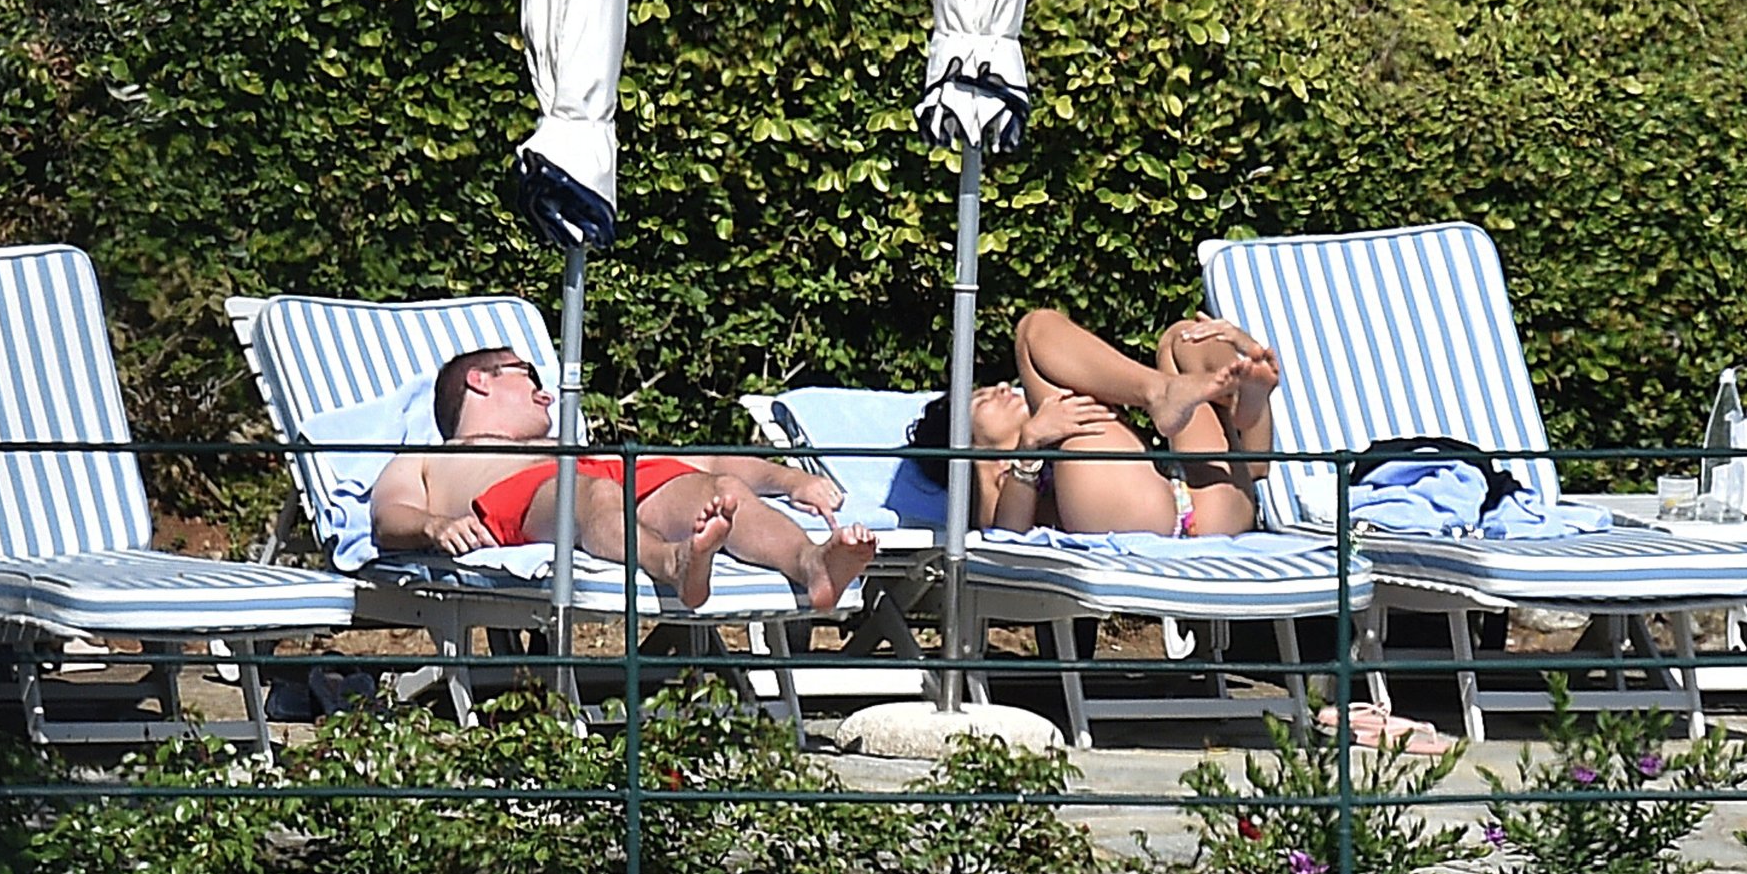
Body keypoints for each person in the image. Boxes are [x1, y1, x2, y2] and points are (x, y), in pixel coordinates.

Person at [370, 347, 876, 610]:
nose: (547, 395)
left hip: (595, 470)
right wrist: (434, 526)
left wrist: (790, 479)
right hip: (521, 495)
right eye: (530, 376)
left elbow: (711, 460)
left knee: (720, 491)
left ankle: (812, 564)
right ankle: (671, 561)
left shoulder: (572, 443)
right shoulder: (433, 457)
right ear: (479, 380)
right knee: (592, 492)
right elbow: (387, 516)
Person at [906, 309, 1281, 538]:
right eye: (981, 399)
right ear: (967, 444)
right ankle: (1164, 392)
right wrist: (1029, 444)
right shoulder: (990, 473)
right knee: (1033, 329)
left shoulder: (1060, 420)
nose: (1002, 387)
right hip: (1145, 518)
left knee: (1182, 337)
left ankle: (1247, 393)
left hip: (1212, 504)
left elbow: (1257, 469)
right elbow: (1006, 538)